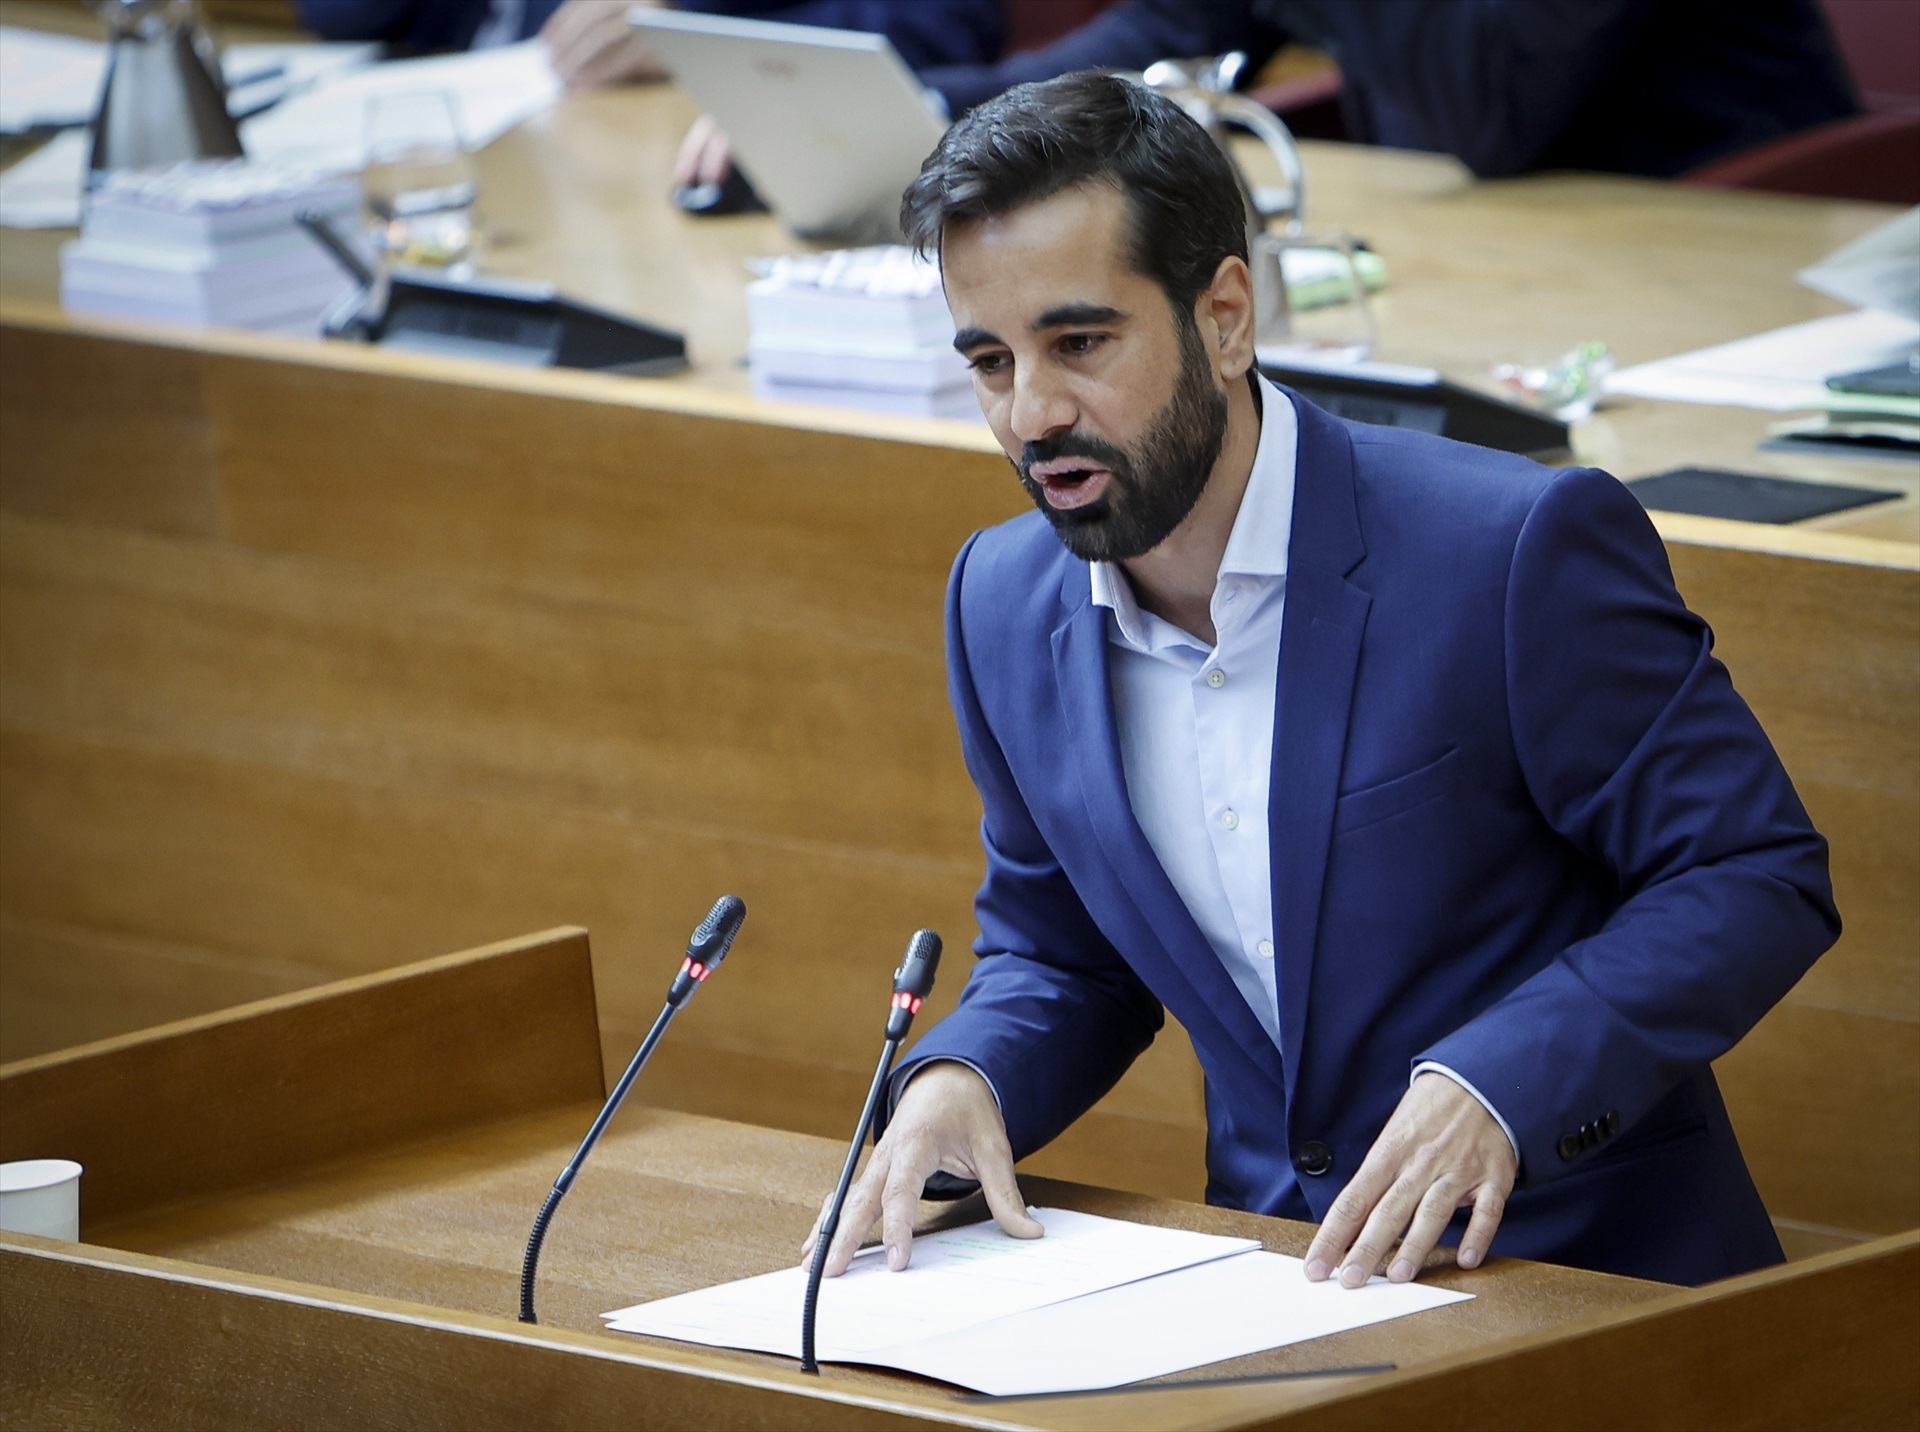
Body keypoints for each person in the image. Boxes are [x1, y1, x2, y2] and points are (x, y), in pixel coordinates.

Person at [803, 73, 1839, 1292]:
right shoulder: (1000, 601)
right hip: (1284, 1282)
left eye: (1080, 342)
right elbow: (1065, 949)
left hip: (1591, 1280)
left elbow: (1750, 870)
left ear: (1227, 316)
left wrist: (1499, 1086)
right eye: (990, 360)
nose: (1032, 414)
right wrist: (962, 1075)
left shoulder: (1509, 551)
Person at [921, 0, 1859, 179]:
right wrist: (940, 112)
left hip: (1722, 246)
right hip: (1479, 262)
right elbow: (1163, 40)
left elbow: (1493, 110)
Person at [295, 0, 1002, 91]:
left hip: (674, 134)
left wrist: (687, 32)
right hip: (446, 110)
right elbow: (335, 14)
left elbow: (940, 23)